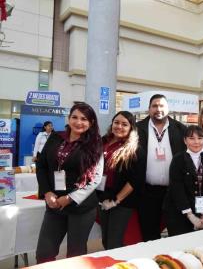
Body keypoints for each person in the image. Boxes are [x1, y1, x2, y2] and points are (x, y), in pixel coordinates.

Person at [35, 103, 103, 263]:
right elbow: (41, 165)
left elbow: (95, 178)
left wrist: (70, 198)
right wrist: (47, 192)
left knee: (75, 255)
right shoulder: (56, 137)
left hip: (81, 207)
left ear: (91, 122)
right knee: (44, 252)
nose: (78, 122)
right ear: (69, 118)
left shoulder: (95, 143)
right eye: (75, 117)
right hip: (54, 204)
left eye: (84, 119)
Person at [137, 94, 187, 241]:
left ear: (168, 109)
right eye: (154, 106)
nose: (158, 109)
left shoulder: (180, 129)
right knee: (149, 233)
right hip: (147, 192)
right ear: (149, 109)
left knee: (176, 231)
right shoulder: (137, 128)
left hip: (173, 191)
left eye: (162, 106)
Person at [97, 111, 146, 250]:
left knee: (114, 242)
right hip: (102, 196)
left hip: (122, 201)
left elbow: (135, 181)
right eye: (116, 122)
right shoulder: (103, 141)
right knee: (105, 239)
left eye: (124, 124)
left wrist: (115, 201)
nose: (119, 126)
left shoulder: (135, 150)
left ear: (131, 128)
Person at [163, 126, 203, 236]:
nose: (196, 142)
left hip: (198, 210)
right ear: (185, 140)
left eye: (200, 138)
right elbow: (177, 189)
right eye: (191, 138)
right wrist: (190, 216)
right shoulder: (178, 159)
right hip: (178, 213)